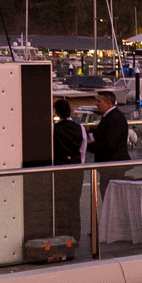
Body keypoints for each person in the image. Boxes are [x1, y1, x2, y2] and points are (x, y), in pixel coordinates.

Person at [52, 99, 84, 241]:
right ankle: (75, 234)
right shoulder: (80, 128)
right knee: (74, 202)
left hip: (60, 168)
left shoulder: (54, 129)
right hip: (76, 168)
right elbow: (83, 150)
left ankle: (62, 235)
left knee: (60, 203)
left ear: (56, 112)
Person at [89, 90, 130, 196]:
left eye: (99, 101)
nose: (96, 104)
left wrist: (88, 146)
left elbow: (108, 145)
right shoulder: (112, 116)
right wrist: (91, 131)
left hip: (113, 166)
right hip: (111, 166)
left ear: (108, 103)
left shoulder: (114, 118)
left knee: (110, 197)